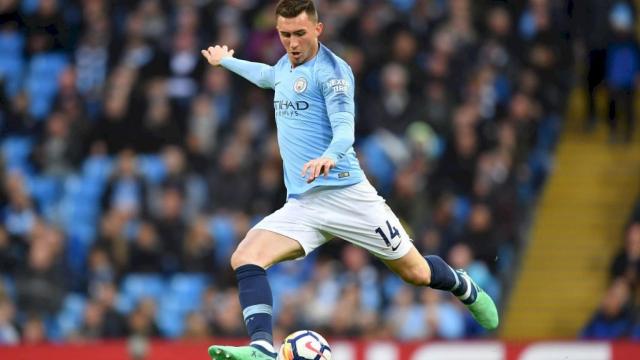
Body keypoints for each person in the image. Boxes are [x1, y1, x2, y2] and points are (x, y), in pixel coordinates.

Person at [200, 1, 498, 359]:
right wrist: (226, 61)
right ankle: (262, 347)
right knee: (246, 257)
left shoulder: (333, 72)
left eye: (299, 34)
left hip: (348, 196)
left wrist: (328, 156)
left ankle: (463, 285)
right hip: (304, 204)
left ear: (318, 29)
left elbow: (344, 130)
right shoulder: (284, 65)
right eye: (284, 35)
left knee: (416, 272)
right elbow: (267, 76)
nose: (292, 43)